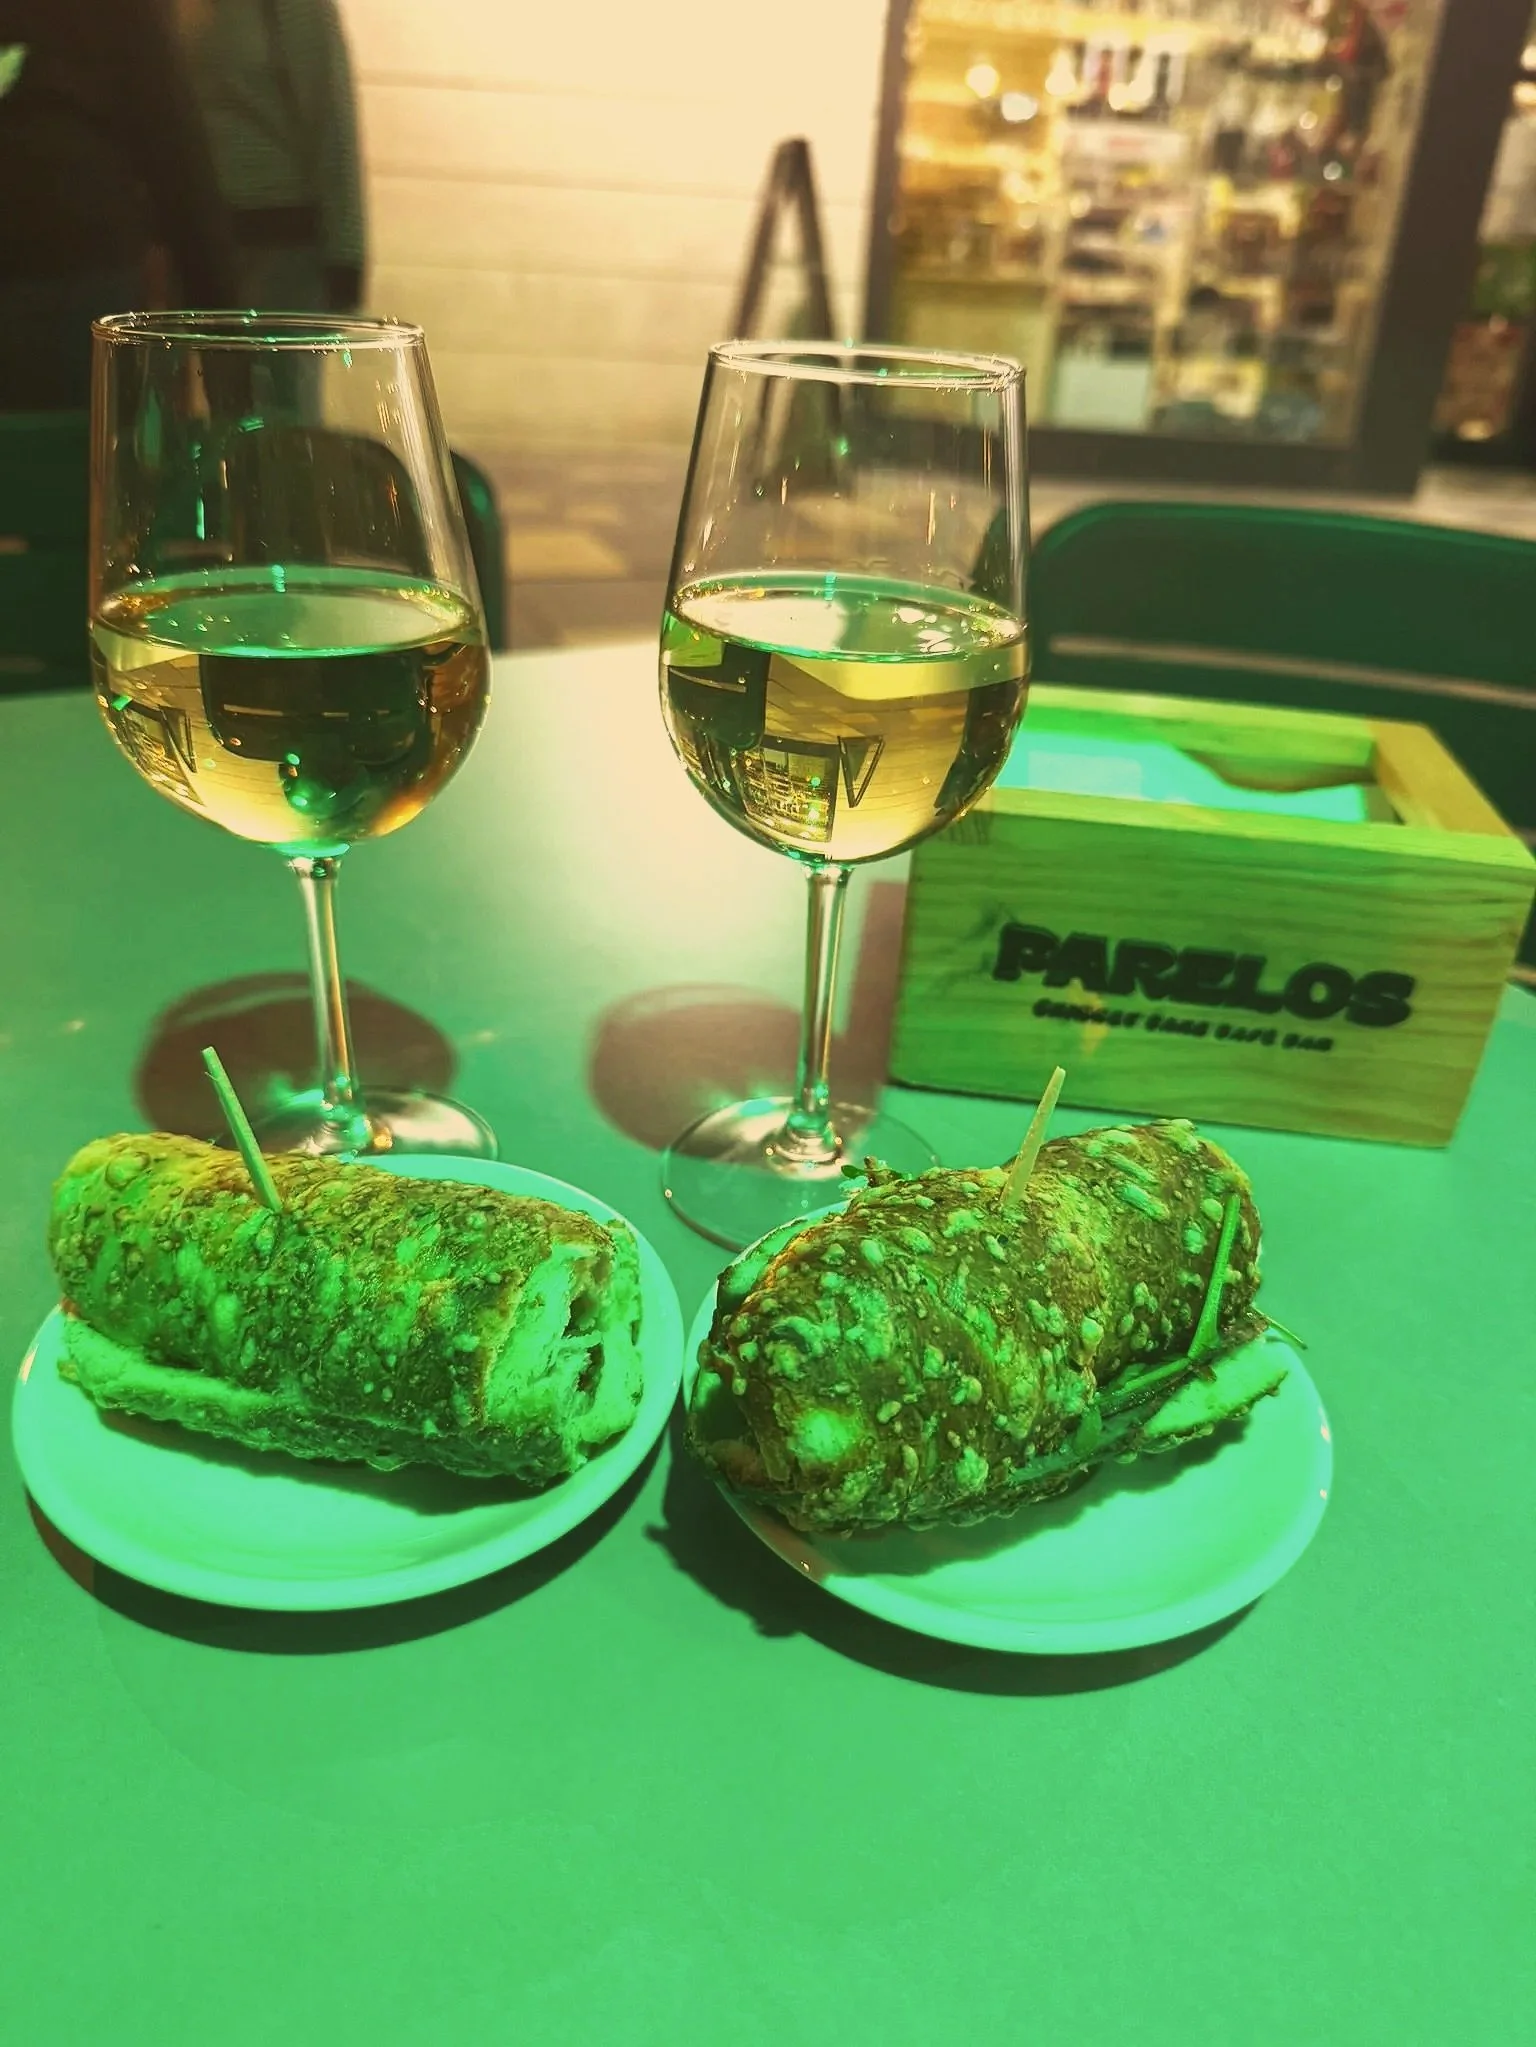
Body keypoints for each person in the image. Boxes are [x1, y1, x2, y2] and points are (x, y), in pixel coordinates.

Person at [0, 0, 238, 408]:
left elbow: (174, 144)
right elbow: (175, 146)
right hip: (81, 265)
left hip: (76, 273)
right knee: (84, 446)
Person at [175, 0, 366, 313]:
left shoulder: (293, 9)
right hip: (190, 235)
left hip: (279, 242)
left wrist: (346, 257)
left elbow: (329, 118)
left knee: (277, 358)